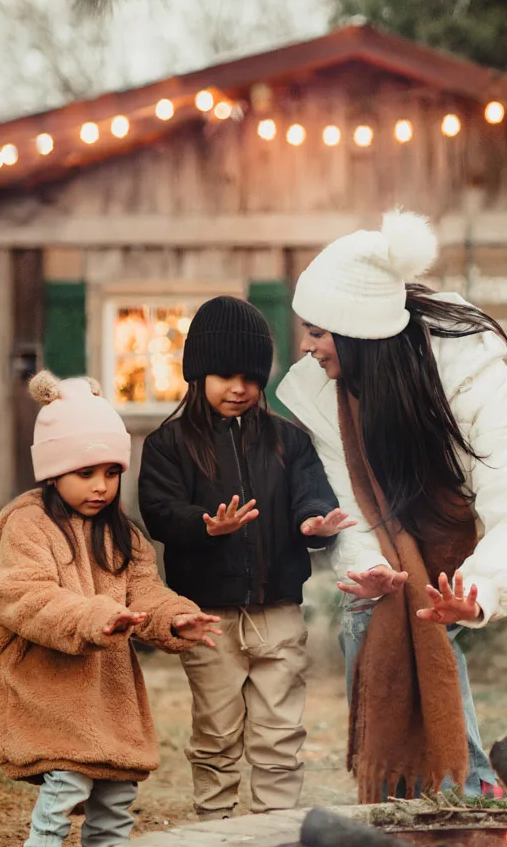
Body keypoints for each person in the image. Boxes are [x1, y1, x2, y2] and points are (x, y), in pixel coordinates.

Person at [276, 209, 507, 803]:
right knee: (375, 619)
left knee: (429, 617)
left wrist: (479, 590)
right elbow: (356, 504)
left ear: (358, 334)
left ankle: (464, 793)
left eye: (319, 332)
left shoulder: (466, 373)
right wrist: (369, 574)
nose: (307, 347)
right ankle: (411, 803)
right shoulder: (327, 393)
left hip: (447, 523)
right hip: (394, 541)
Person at [0, 371, 219, 847]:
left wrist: (174, 618)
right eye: (85, 472)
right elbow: (22, 596)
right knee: (70, 774)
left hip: (106, 687)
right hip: (46, 679)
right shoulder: (30, 526)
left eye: (111, 472)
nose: (101, 485)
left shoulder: (122, 533)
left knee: (115, 786)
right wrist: (91, 616)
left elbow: (145, 592)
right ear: (53, 471)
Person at [137, 296, 354, 818]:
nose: (240, 388)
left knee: (280, 732)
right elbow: (159, 511)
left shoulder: (288, 441)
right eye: (225, 375)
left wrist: (315, 522)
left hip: (277, 610)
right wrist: (205, 526)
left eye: (252, 378)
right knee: (216, 731)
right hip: (207, 616)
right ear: (197, 373)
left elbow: (311, 493)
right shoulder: (169, 444)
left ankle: (273, 833)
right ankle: (215, 833)